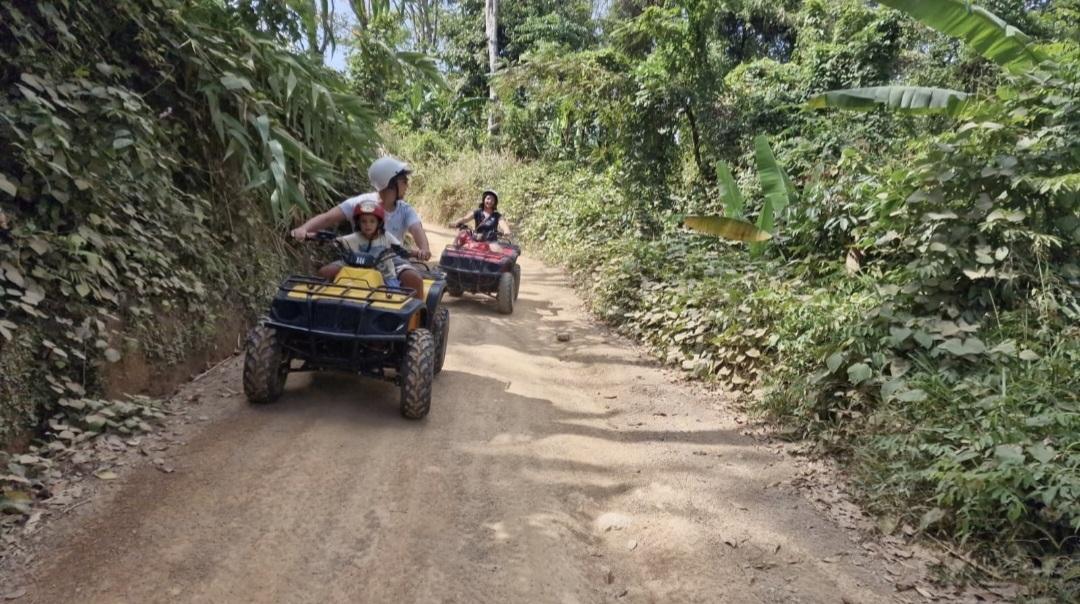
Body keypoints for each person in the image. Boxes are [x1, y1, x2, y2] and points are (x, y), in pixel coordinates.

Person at [291, 156, 431, 297]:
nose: (407, 186)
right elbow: (328, 218)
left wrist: (424, 249)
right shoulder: (360, 203)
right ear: (390, 183)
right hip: (356, 257)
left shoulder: (405, 210)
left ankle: (418, 318)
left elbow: (416, 229)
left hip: (390, 259)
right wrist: (304, 229)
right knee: (324, 273)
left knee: (414, 280)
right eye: (404, 181)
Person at [338, 200, 409, 289]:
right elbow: (337, 241)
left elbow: (399, 247)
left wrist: (414, 253)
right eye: (363, 221)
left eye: (372, 221)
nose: (368, 225)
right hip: (357, 275)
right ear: (358, 223)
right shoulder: (353, 237)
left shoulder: (386, 237)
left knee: (394, 294)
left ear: (379, 223)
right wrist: (325, 238)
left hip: (385, 276)